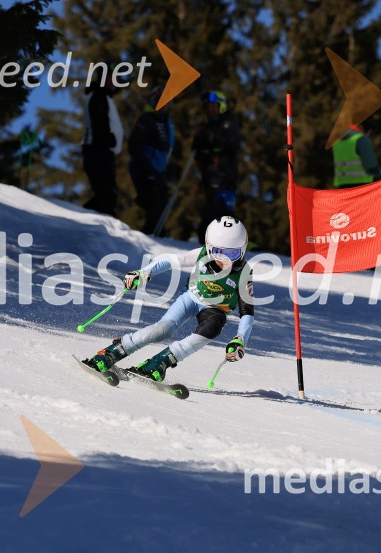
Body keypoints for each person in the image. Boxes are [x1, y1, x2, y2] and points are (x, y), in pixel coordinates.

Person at [86, 216, 254, 382]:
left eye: (232, 253)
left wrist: (240, 339)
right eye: (218, 252)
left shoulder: (244, 273)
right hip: (191, 297)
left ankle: (160, 362)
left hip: (216, 309)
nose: (224, 260)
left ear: (243, 249)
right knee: (164, 329)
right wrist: (144, 272)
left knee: (211, 329)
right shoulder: (200, 255)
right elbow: (169, 261)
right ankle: (112, 352)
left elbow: (247, 310)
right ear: (209, 247)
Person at [192, 91, 241, 242]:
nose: (210, 110)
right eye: (208, 108)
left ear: (221, 106)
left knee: (220, 211)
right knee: (212, 209)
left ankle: (230, 240)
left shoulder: (228, 122)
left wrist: (208, 142)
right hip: (209, 175)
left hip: (224, 175)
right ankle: (210, 240)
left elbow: (225, 142)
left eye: (214, 107)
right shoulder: (207, 126)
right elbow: (196, 150)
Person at [128, 86, 175, 234]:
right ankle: (150, 240)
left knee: (163, 205)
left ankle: (158, 238)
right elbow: (134, 145)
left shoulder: (167, 122)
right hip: (145, 169)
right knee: (153, 207)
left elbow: (168, 149)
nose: (163, 105)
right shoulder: (147, 119)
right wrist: (146, 169)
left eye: (167, 102)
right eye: (160, 100)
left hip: (158, 171)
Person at [81, 63, 124, 216]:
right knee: (106, 195)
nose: (116, 80)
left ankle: (81, 218)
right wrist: (108, 138)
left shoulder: (104, 96)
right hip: (98, 149)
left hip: (103, 149)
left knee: (105, 195)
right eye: (113, 77)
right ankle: (82, 220)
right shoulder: (98, 95)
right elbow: (98, 120)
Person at [332, 124, 381, 188]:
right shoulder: (361, 139)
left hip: (342, 185)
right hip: (361, 184)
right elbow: (370, 164)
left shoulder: (337, 142)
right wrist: (378, 172)